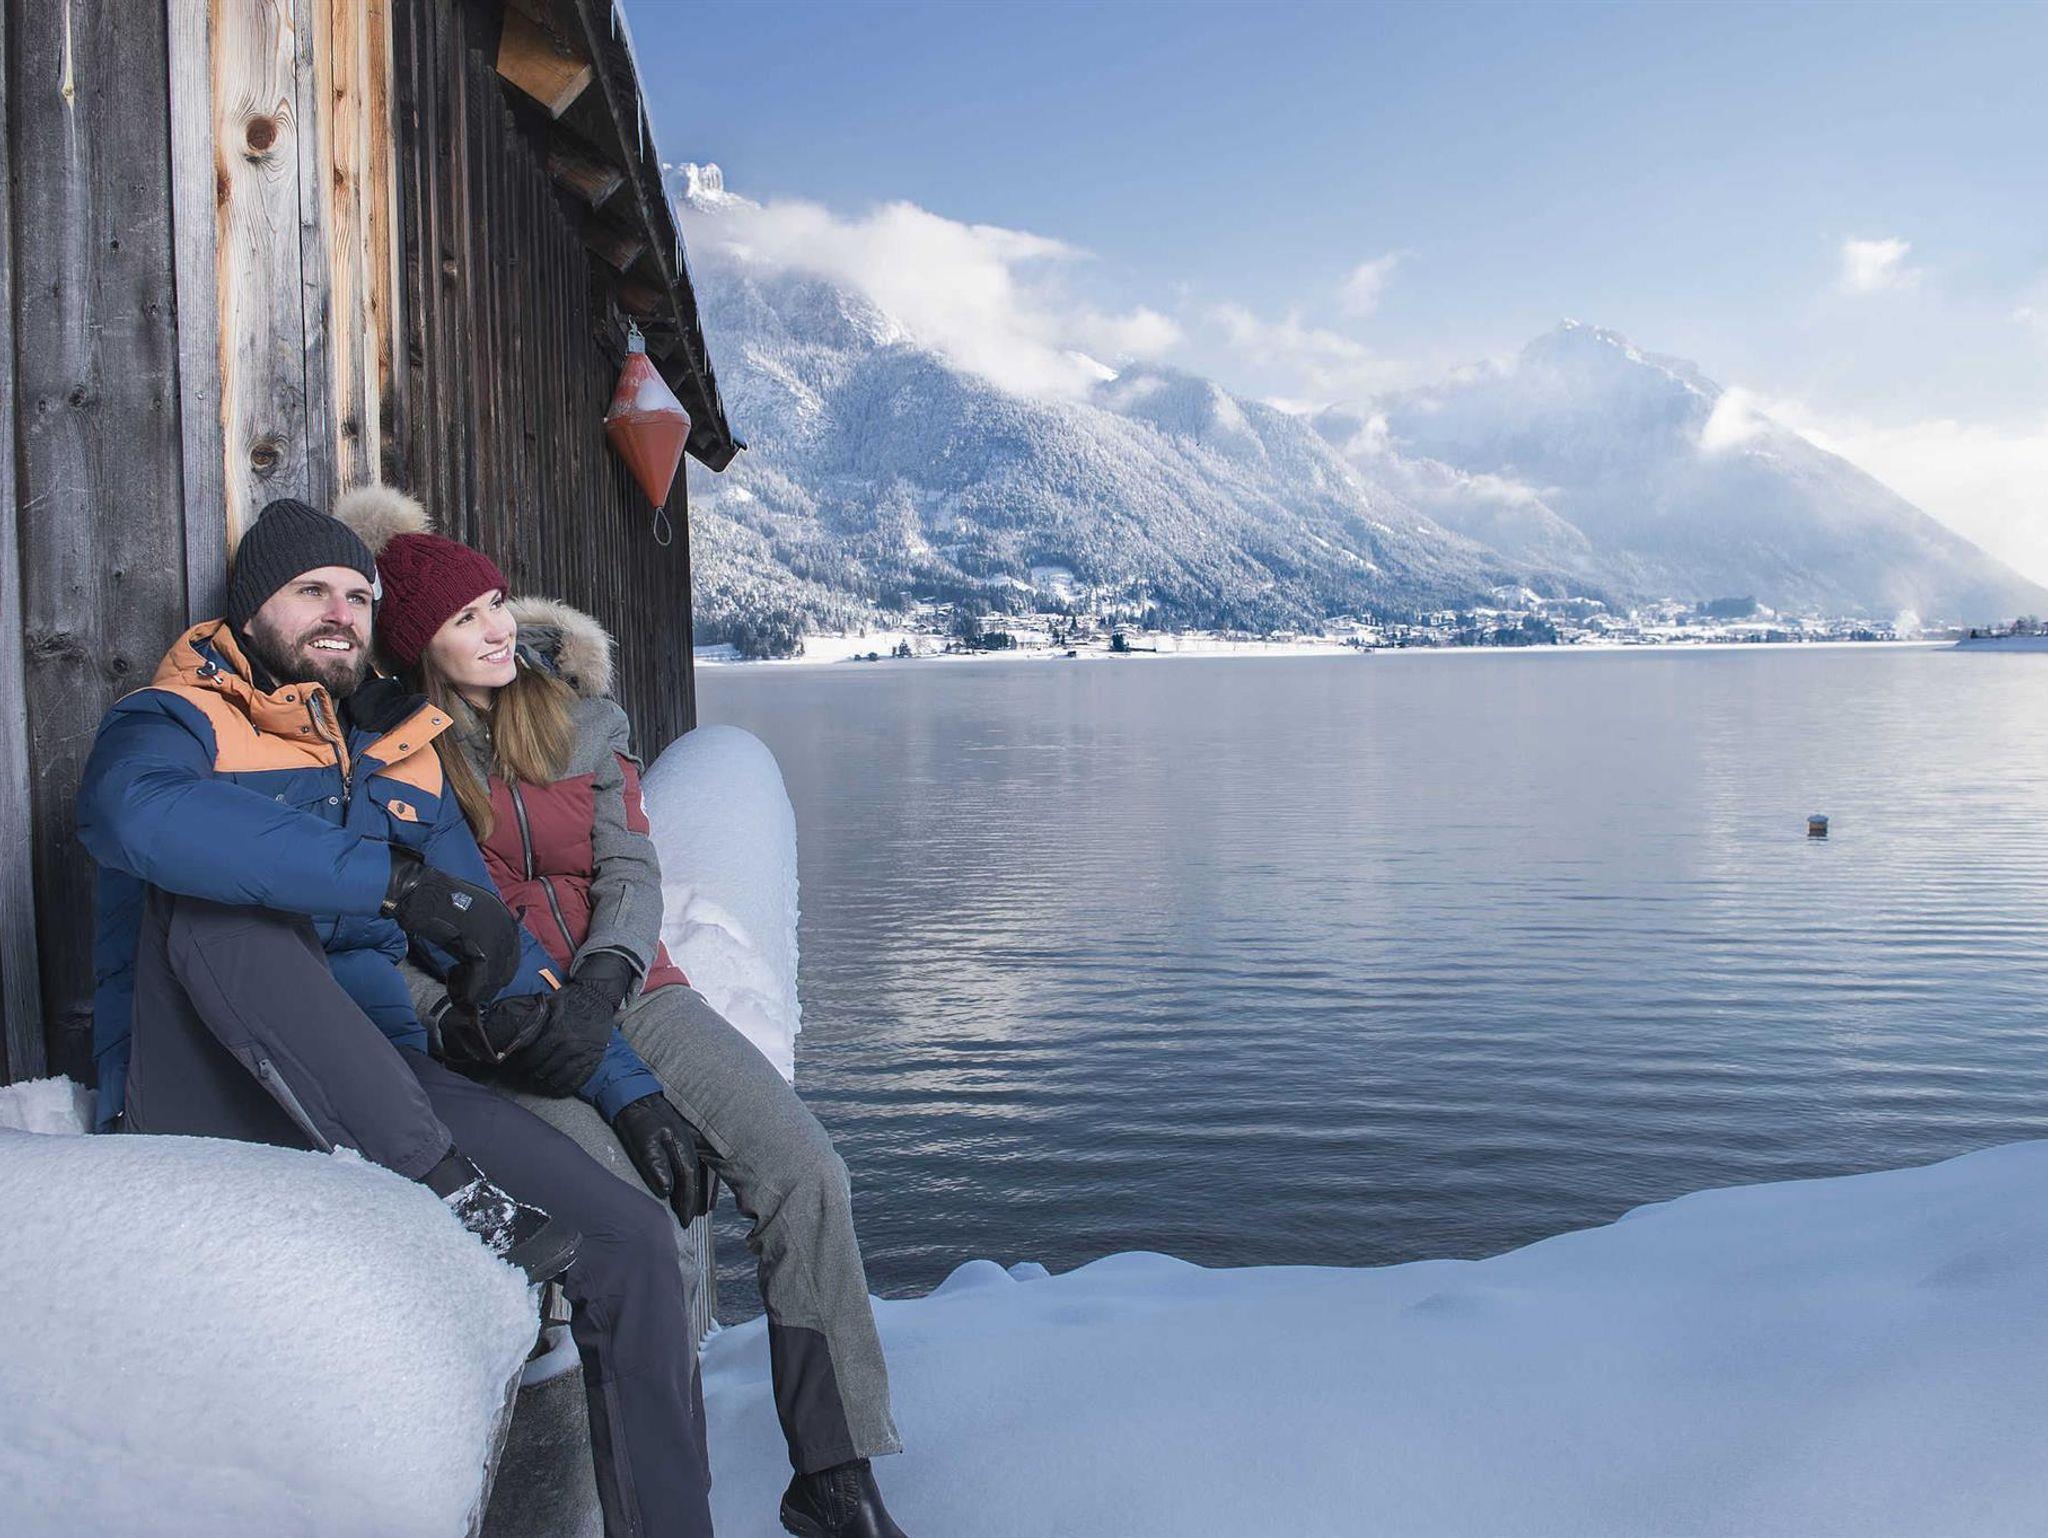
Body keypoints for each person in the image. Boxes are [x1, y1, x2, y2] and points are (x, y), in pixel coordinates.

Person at [77, 497, 715, 1537]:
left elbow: (495, 952)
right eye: (311, 592)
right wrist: (389, 882)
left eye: (357, 596)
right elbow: (131, 816)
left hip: (385, 1077)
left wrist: (628, 1089)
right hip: (214, 1072)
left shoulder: (395, 753)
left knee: (633, 1239)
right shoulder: (174, 719)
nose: (341, 614)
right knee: (218, 896)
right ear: (252, 608)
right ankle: (454, 1191)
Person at [334, 484, 911, 1538]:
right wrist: (464, 1019)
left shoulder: (584, 721)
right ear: (418, 646)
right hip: (510, 1029)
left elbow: (629, 869)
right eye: (465, 617)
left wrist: (606, 975)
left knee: (805, 1169)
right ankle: (672, 1490)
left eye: (496, 601)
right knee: (653, 1221)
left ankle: (834, 1476)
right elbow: (377, 922)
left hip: (630, 989)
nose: (498, 627)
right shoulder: (396, 758)